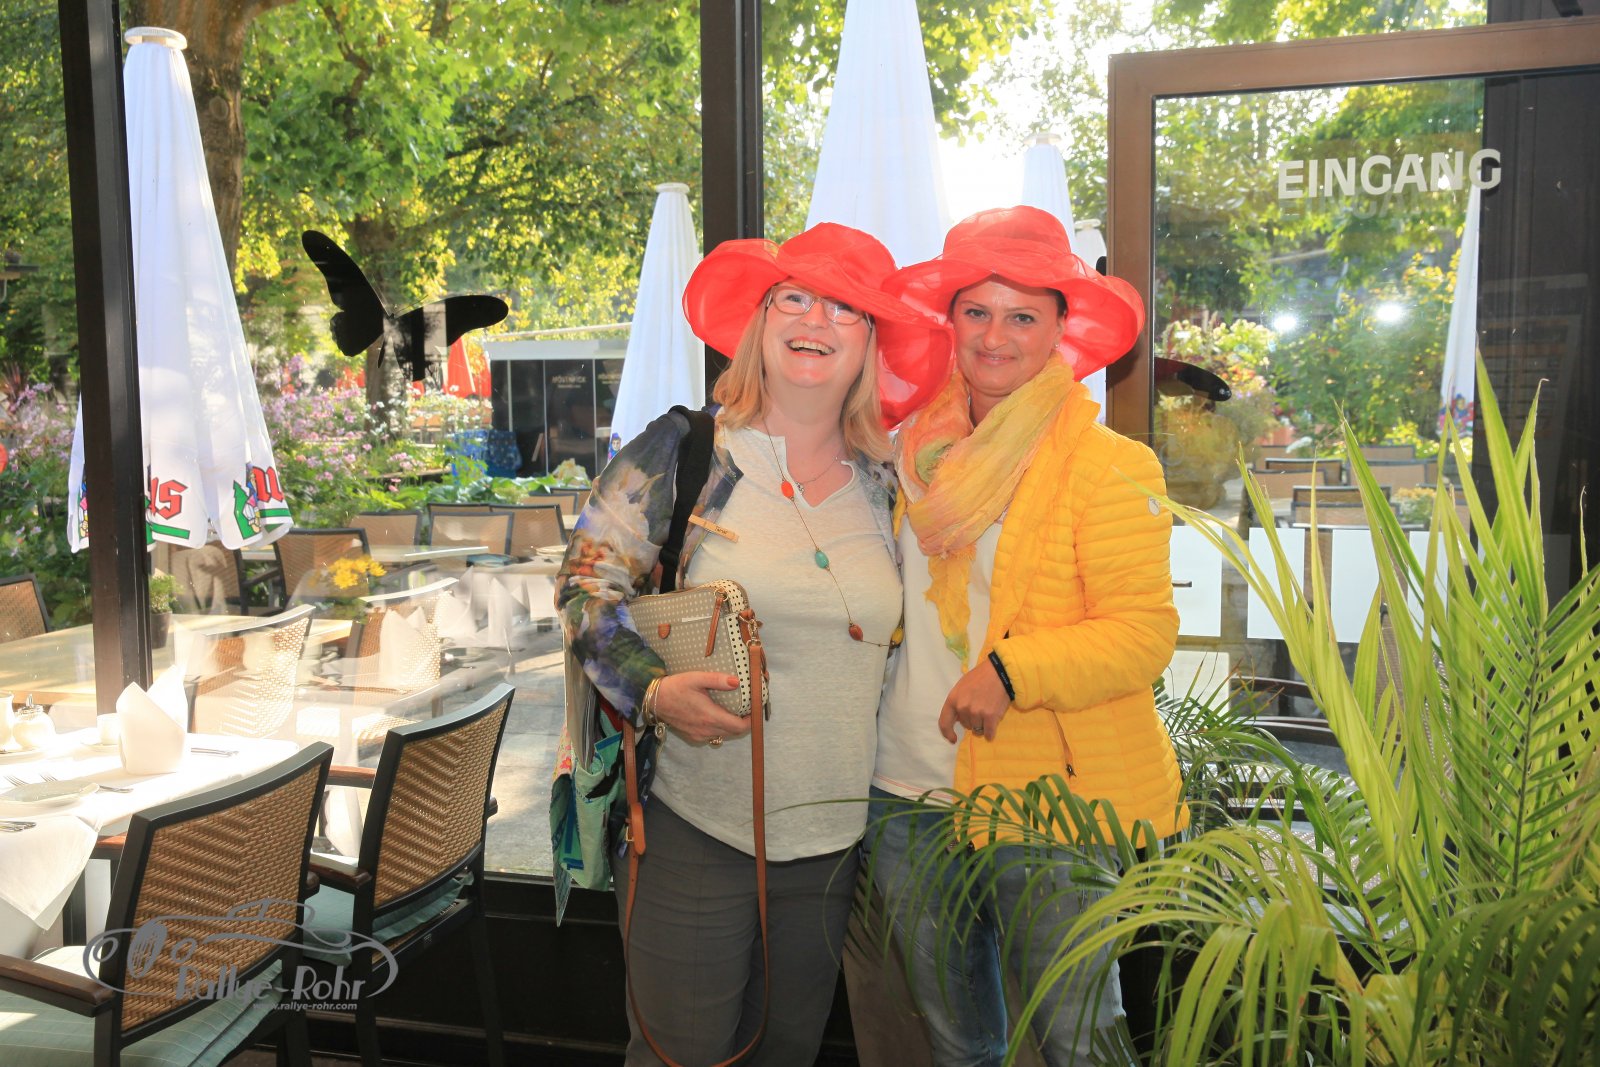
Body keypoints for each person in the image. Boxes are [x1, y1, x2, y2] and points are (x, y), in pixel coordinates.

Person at [557, 222, 950, 1067]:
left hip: (833, 849)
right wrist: (652, 689)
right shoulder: (687, 450)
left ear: (872, 340)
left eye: (844, 307)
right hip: (696, 829)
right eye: (794, 298)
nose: (815, 320)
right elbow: (585, 586)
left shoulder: (890, 482)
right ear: (761, 321)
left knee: (786, 1055)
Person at [866, 206, 1187, 1066]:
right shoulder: (910, 457)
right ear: (950, 320)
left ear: (1059, 329)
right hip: (906, 791)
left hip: (1048, 799)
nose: (995, 336)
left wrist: (1011, 670)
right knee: (958, 1044)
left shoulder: (1111, 464)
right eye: (977, 311)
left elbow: (1144, 632)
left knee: (1081, 1041)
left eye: (1022, 316)